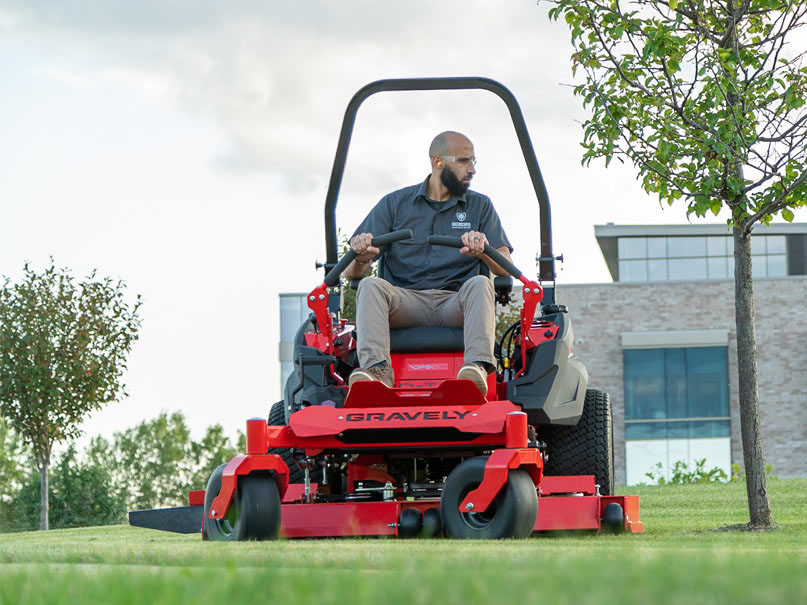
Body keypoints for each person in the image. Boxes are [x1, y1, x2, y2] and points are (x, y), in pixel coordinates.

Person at [345, 131, 513, 396]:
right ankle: (377, 373)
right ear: (438, 162)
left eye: (474, 161)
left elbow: (506, 267)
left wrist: (483, 250)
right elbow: (351, 273)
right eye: (464, 161)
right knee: (369, 285)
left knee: (481, 283)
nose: (472, 169)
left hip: (455, 302)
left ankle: (477, 369)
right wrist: (362, 255)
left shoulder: (480, 206)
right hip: (405, 302)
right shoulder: (394, 204)